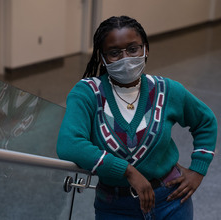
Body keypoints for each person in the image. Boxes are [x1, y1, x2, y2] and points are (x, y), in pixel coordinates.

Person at [57, 15, 217, 219]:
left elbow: (205, 121)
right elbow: (69, 144)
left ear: (146, 49)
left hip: (171, 200)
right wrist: (127, 171)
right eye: (114, 53)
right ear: (103, 58)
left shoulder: (167, 90)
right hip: (115, 206)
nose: (125, 58)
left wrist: (198, 170)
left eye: (133, 49)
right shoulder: (87, 93)